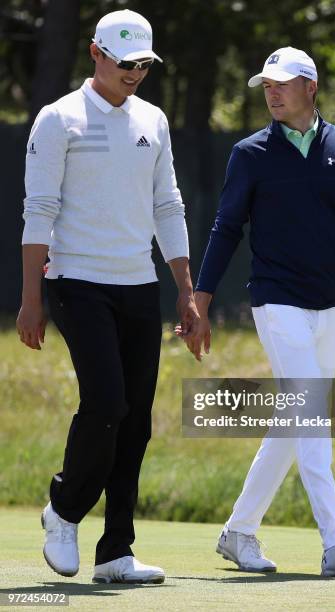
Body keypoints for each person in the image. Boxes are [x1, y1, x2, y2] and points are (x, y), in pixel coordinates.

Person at [189, 47, 335, 576]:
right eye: (266, 84)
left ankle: (239, 532)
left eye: (282, 83)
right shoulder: (250, 154)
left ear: (310, 87)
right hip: (276, 300)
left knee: (295, 420)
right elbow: (225, 228)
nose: (271, 92)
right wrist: (201, 296)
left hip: (331, 304)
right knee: (312, 411)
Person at [16, 9, 199, 584]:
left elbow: (168, 205)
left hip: (138, 286)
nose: (135, 74)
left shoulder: (153, 120)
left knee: (137, 420)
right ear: (95, 53)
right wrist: (30, 298)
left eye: (143, 64)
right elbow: (38, 210)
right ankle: (64, 510)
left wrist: (187, 292)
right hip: (75, 282)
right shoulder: (59, 119)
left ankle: (116, 550)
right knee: (107, 405)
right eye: (125, 63)